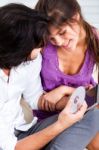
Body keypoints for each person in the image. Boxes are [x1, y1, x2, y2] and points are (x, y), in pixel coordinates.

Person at [1, 3, 98, 150]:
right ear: (18, 49)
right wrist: (61, 124)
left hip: (27, 129)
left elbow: (36, 99)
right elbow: (13, 147)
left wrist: (71, 99)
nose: (43, 48)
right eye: (39, 45)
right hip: (14, 144)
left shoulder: (28, 62)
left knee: (94, 117)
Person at [35, 0, 99, 149]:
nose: (58, 42)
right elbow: (39, 99)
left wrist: (65, 90)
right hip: (51, 114)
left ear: (76, 17)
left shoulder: (94, 39)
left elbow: (93, 96)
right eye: (51, 37)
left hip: (83, 106)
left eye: (62, 33)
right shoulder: (41, 44)